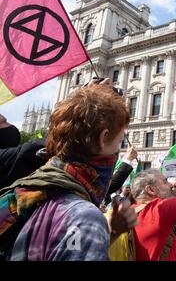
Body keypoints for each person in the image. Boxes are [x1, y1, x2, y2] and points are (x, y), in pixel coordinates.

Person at [0, 84, 137, 260]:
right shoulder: (84, 217)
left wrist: (111, 232)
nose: (117, 154)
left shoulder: (22, 191)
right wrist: (94, 229)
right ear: (103, 139)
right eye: (119, 143)